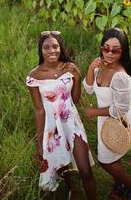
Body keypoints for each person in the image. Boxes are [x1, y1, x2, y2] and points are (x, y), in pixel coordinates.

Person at [26, 30, 97, 200]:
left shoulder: (69, 69)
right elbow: (39, 110)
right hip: (51, 127)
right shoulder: (33, 76)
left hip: (71, 122)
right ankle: (73, 188)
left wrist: (77, 78)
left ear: (61, 48)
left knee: (85, 170)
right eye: (47, 47)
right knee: (62, 163)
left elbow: (74, 99)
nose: (52, 51)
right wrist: (40, 142)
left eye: (56, 46)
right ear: (40, 50)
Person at [83, 27, 131, 199]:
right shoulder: (101, 66)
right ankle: (120, 183)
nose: (109, 54)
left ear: (123, 52)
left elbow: (121, 109)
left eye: (115, 50)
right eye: (105, 48)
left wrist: (94, 111)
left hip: (119, 120)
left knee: (106, 161)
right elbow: (89, 89)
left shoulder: (120, 77)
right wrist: (91, 68)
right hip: (104, 121)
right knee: (112, 154)